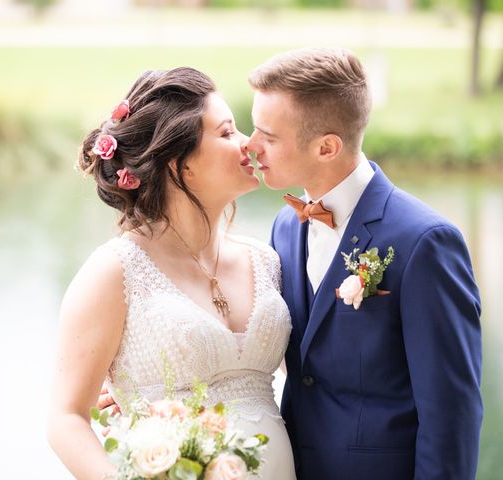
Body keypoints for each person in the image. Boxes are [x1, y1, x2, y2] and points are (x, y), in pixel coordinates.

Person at [46, 67, 296, 480]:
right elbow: (65, 417)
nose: (247, 143)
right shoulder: (115, 271)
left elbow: (310, 378)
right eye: (227, 132)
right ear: (180, 164)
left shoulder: (265, 260)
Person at [246, 48, 483, 479]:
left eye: (268, 135)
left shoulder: (426, 243)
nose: (250, 145)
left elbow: (452, 413)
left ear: (327, 147)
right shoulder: (285, 227)